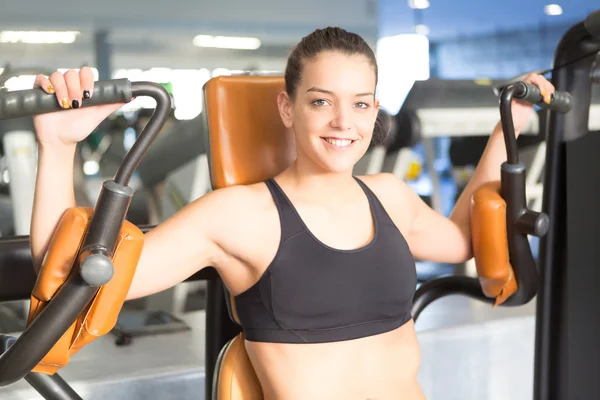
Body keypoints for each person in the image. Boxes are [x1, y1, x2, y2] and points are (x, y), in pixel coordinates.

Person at [29, 27, 554, 400]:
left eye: (362, 103)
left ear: (375, 111)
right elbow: (76, 275)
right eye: (321, 101)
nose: (344, 121)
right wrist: (57, 147)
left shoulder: (390, 195)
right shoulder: (239, 215)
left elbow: (464, 238)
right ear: (288, 108)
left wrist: (506, 128)